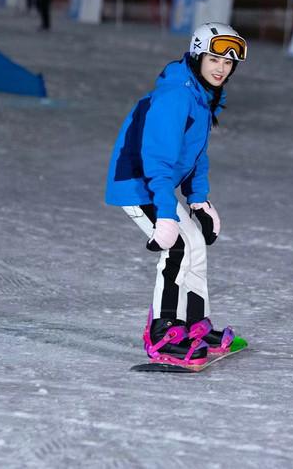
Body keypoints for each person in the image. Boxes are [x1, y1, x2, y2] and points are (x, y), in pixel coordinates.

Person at [105, 23, 247, 368]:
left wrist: (199, 200)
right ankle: (163, 333)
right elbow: (157, 159)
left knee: (195, 243)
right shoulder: (177, 96)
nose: (220, 69)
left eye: (227, 64)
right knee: (178, 247)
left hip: (157, 183)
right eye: (213, 59)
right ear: (198, 56)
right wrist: (166, 214)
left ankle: (194, 326)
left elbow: (196, 154)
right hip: (138, 182)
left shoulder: (202, 96)